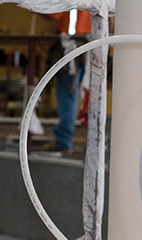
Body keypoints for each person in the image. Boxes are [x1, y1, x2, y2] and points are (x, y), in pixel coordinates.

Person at [48, 9, 91, 152]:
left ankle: (63, 141)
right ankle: (94, 144)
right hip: (86, 44)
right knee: (74, 93)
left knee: (67, 94)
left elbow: (53, 11)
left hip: (71, 45)